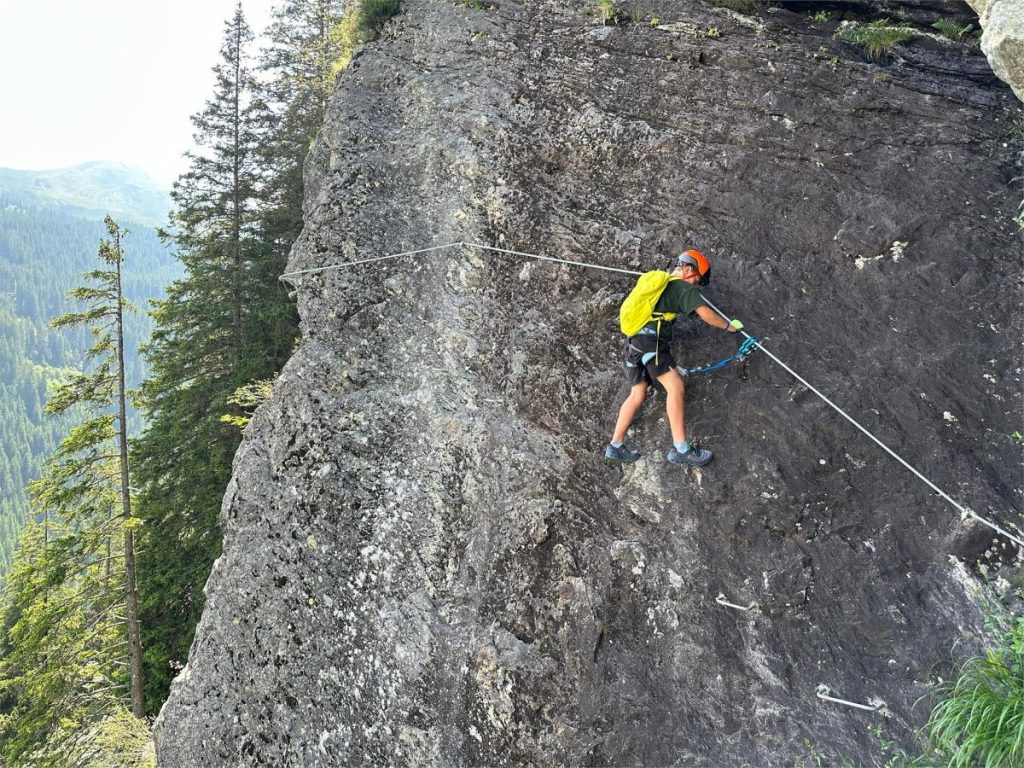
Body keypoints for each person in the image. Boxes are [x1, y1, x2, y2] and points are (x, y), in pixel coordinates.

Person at [605, 249, 739, 466]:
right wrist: (729, 326)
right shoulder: (682, 287)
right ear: (688, 269)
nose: (696, 284)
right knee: (675, 387)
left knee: (638, 393)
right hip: (652, 343)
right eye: (697, 279)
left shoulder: (660, 285)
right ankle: (681, 449)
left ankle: (615, 446)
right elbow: (705, 313)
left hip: (634, 343)